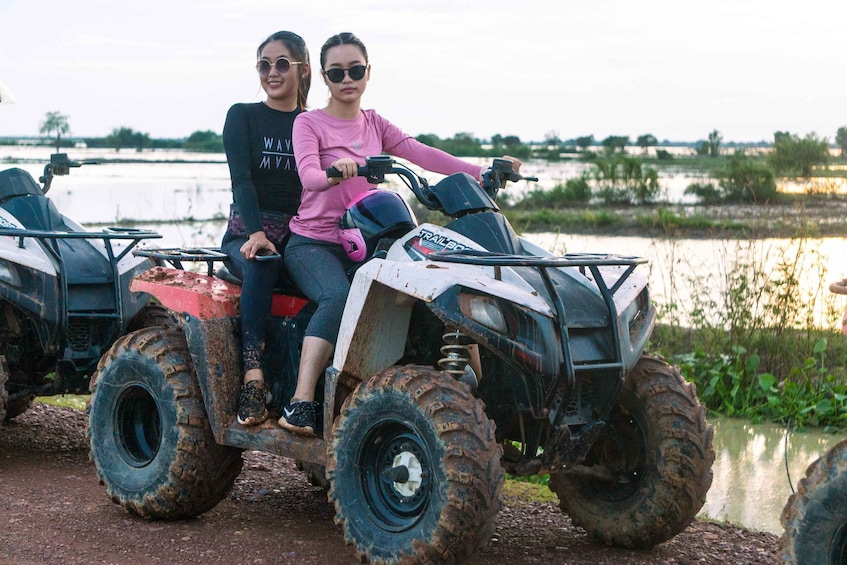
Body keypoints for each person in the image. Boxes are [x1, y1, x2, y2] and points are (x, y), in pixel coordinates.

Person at [279, 31, 521, 436]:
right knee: (338, 297)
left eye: (355, 69)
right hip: (316, 242)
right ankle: (301, 402)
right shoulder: (310, 123)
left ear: (368, 72)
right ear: (324, 77)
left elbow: (420, 151)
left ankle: (479, 403)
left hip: (365, 243)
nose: (347, 79)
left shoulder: (374, 123)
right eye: (337, 72)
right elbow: (308, 174)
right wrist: (334, 172)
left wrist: (482, 172)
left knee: (444, 288)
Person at [221, 31, 311, 426]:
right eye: (264, 64)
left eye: (281, 64)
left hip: (298, 235)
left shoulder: (311, 124)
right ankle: (253, 378)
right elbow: (241, 180)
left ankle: (308, 390)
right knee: (263, 262)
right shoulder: (242, 115)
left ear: (302, 69)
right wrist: (256, 232)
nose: (271, 73)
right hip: (247, 232)